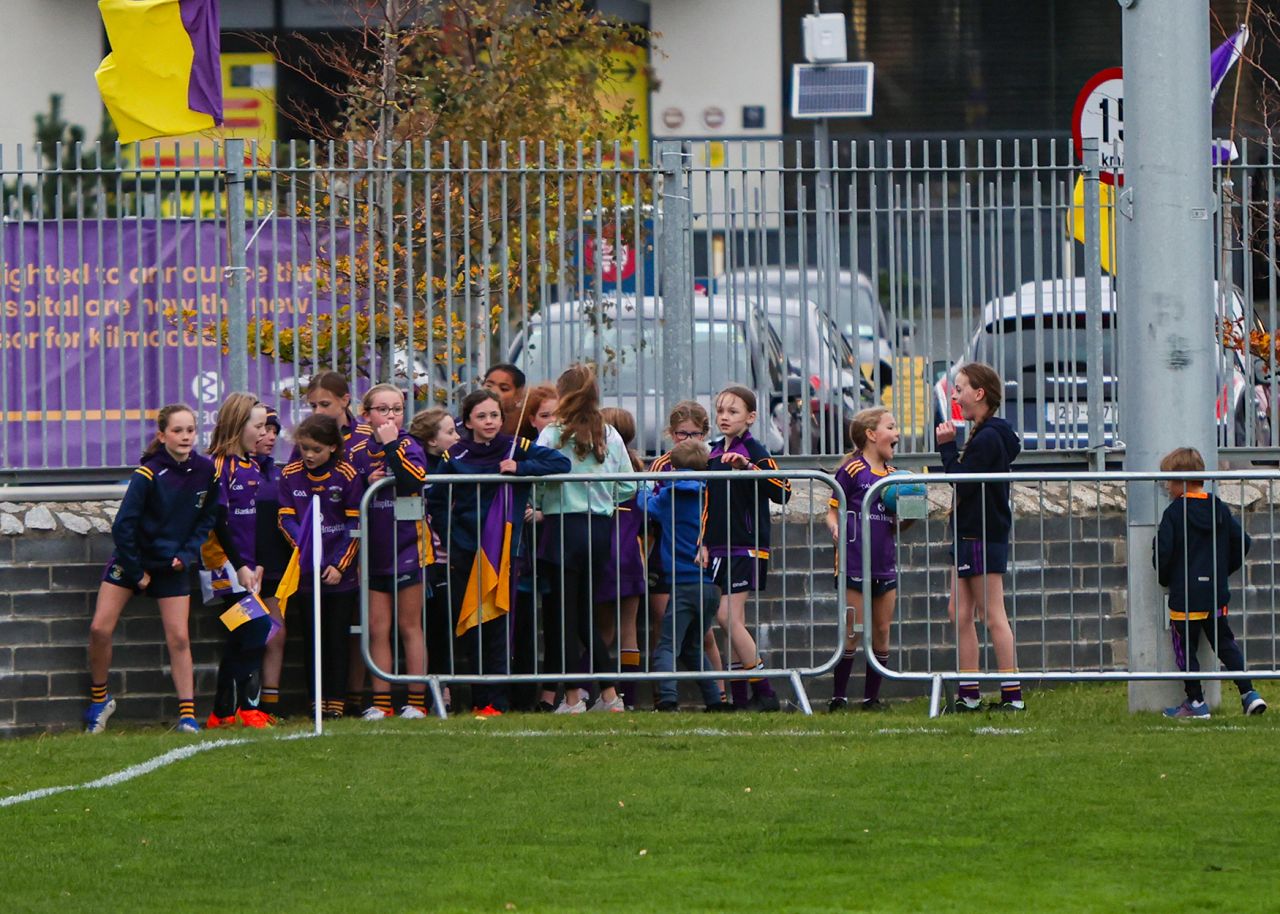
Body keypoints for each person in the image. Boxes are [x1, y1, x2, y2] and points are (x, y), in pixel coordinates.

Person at [429, 389, 569, 714]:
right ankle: (480, 699)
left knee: (500, 626)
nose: (489, 421)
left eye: (494, 415)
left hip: (506, 551)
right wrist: (451, 536)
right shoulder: (456, 455)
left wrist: (521, 469)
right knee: (473, 624)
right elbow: (436, 499)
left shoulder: (515, 446)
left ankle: (499, 701)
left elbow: (560, 463)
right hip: (467, 551)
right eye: (481, 416)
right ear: (468, 422)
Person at [85, 404, 218, 734]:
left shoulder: (207, 471)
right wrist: (135, 571)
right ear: (162, 436)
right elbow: (123, 527)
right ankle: (99, 700)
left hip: (172, 565)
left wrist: (186, 554)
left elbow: (208, 518)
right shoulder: (147, 474)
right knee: (100, 629)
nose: (185, 436)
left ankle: (187, 716)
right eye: (177, 430)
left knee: (180, 638)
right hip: (133, 560)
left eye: (190, 430)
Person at [536, 364, 638, 713]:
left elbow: (537, 478)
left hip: (563, 526)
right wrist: (604, 497)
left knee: (567, 616)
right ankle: (597, 696)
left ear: (562, 396)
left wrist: (539, 503)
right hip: (599, 529)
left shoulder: (552, 433)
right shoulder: (609, 434)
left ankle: (583, 697)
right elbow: (627, 485)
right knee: (583, 614)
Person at [935, 361, 1024, 712]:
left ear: (979, 393)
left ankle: (1012, 694)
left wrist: (946, 447)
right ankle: (968, 692)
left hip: (982, 534)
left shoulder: (988, 437)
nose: (955, 396)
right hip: (970, 533)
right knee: (959, 612)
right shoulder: (986, 433)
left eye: (959, 389)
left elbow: (963, 479)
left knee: (993, 615)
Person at [1155, 446, 1267, 719]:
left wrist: (1165, 577)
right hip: (1215, 594)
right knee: (1225, 643)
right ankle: (1249, 693)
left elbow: (1164, 552)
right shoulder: (1218, 508)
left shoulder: (1174, 513)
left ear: (1179, 481)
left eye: (1168, 481)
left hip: (1185, 596)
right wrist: (1221, 573)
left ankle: (1195, 702)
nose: (1167, 488)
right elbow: (1243, 542)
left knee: (1185, 648)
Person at [704, 385, 791, 711]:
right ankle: (741, 697)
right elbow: (707, 502)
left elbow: (783, 490)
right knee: (732, 621)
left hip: (746, 546)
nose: (724, 417)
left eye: (733, 411)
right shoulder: (712, 453)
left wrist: (750, 468)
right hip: (718, 548)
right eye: (721, 411)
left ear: (751, 417)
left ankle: (765, 690)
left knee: (727, 617)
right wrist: (703, 542)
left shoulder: (755, 450)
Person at [349, 384, 433, 720]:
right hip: (373, 553)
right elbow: (348, 491)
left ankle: (416, 701)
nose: (390, 415)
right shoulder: (354, 451)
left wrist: (391, 446)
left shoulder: (408, 444)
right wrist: (366, 480)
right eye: (382, 409)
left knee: (410, 626)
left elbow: (414, 480)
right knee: (377, 628)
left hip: (408, 548)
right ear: (366, 414)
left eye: (397, 409)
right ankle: (381, 703)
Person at [277, 414, 364, 719]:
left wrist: (340, 564)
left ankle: (337, 701)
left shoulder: (347, 474)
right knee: (311, 638)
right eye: (304, 449)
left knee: (337, 637)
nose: (309, 455)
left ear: (331, 447)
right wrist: (305, 550)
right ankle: (316, 700)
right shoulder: (289, 474)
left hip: (341, 575)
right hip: (306, 573)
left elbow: (356, 521)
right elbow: (285, 518)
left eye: (316, 449)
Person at [826, 407, 907, 711]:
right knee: (853, 631)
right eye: (891, 426)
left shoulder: (894, 478)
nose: (897, 433)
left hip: (884, 562)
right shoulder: (852, 470)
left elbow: (897, 525)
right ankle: (838, 697)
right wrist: (835, 527)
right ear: (872, 435)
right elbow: (832, 509)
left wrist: (911, 512)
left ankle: (872, 699)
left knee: (882, 630)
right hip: (854, 561)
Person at [647, 401, 726, 708]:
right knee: (693, 645)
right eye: (682, 434)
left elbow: (647, 503)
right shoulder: (712, 487)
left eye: (695, 433)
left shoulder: (670, 493)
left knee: (670, 643)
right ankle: (715, 700)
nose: (689, 439)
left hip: (682, 578)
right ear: (672, 433)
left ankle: (667, 698)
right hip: (708, 582)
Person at [202, 393, 272, 729]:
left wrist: (254, 562)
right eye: (257, 426)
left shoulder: (251, 465)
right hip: (220, 566)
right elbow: (220, 521)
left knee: (242, 632)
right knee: (256, 625)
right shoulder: (219, 465)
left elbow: (250, 522)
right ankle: (243, 708)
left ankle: (226, 711)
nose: (263, 433)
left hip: (244, 566)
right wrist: (239, 566)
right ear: (237, 425)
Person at [511, 383, 560, 711]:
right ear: (531, 419)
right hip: (524, 551)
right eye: (545, 415)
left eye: (558, 414)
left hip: (556, 543)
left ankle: (552, 694)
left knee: (559, 622)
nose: (553, 421)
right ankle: (523, 693)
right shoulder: (520, 447)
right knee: (524, 624)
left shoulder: (566, 447)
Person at [595, 407, 648, 710]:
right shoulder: (639, 470)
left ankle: (596, 692)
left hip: (606, 554)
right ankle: (628, 694)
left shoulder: (602, 471)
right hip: (632, 557)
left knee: (602, 630)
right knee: (629, 631)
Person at [410, 407, 461, 713]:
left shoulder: (454, 465)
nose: (457, 437)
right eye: (450, 432)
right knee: (425, 625)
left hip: (446, 558)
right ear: (431, 440)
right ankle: (426, 691)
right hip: (418, 558)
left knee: (443, 627)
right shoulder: (417, 466)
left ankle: (444, 689)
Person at [255, 406, 292, 717]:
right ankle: (241, 703)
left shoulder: (280, 472)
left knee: (276, 632)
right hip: (242, 570)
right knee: (247, 633)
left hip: (274, 567)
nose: (269, 436)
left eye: (274, 430)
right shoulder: (229, 469)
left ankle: (270, 705)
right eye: (263, 428)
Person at [483, 363, 527, 436]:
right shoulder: (463, 424)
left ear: (519, 395)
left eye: (504, 389)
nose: (493, 392)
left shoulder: (525, 427)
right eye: (489, 386)